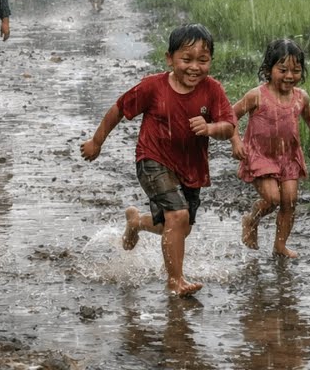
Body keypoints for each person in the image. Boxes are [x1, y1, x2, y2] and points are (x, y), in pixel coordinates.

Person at [80, 23, 236, 296]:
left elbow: (229, 126)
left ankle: (136, 222)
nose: (194, 67)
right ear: (169, 59)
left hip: (190, 167)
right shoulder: (153, 87)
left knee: (177, 227)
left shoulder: (212, 90)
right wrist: (96, 141)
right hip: (152, 159)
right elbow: (118, 109)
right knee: (177, 215)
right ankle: (175, 281)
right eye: (186, 59)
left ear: (211, 60)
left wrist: (211, 128)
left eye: (203, 60)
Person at [230, 38, 310, 259]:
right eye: (283, 69)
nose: (289, 76)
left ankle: (280, 245)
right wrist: (236, 142)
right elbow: (231, 116)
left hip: (288, 156)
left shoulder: (300, 97)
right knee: (273, 199)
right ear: (268, 70)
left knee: (290, 201)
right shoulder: (256, 95)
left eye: (296, 71)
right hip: (260, 155)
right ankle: (251, 220)